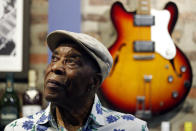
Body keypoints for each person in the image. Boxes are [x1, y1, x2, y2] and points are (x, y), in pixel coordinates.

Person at [5, 30, 149, 131]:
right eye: (54, 58)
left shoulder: (132, 128)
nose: (55, 67)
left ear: (94, 81)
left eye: (71, 62)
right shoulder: (18, 129)